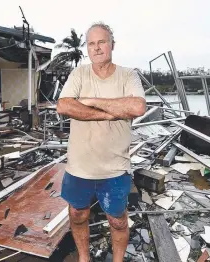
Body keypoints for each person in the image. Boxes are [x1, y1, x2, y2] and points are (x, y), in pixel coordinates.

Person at [56, 22, 146, 262]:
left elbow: (137, 107)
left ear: (112, 45)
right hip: (79, 166)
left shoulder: (128, 75)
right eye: (91, 44)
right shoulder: (79, 74)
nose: (96, 48)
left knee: (117, 220)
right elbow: (64, 106)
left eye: (101, 42)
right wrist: (112, 112)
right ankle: (84, 258)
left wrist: (91, 101)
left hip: (115, 167)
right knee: (77, 214)